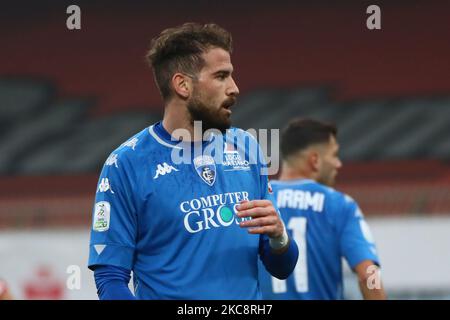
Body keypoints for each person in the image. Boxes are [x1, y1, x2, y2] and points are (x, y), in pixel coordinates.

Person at [88, 22, 298, 300]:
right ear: (183, 85)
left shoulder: (247, 147)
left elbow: (281, 268)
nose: (234, 88)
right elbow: (110, 278)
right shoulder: (126, 164)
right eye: (221, 76)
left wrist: (279, 236)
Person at [258, 118, 386, 300]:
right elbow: (368, 274)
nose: (338, 163)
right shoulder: (340, 205)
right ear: (315, 160)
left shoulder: (258, 201)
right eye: (334, 155)